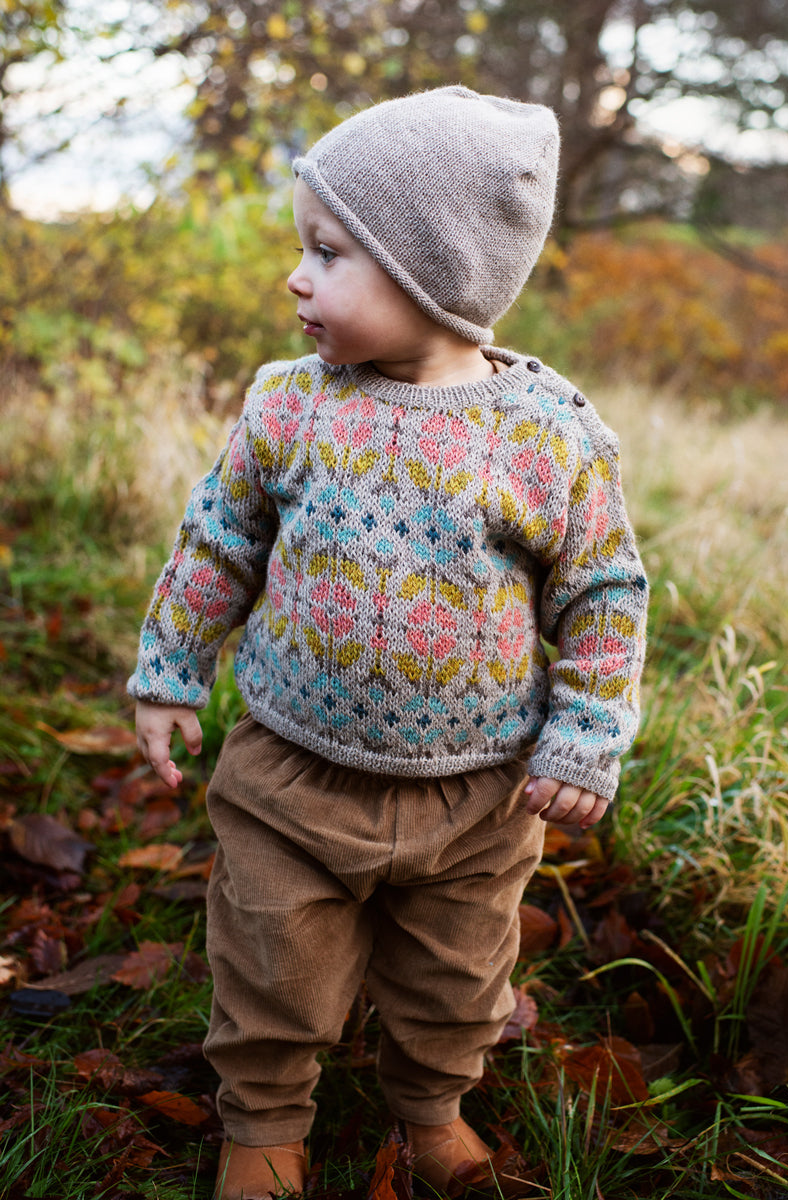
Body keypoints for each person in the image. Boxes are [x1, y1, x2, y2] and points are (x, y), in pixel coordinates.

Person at [129, 85, 648, 1200]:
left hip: (479, 795)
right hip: (290, 772)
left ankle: (431, 1105)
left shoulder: (548, 437)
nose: (295, 277)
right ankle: (265, 1121)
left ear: (433, 274)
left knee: (455, 976)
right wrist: (170, 667)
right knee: (272, 957)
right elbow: (218, 540)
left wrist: (586, 735)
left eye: (328, 252)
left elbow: (603, 593)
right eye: (302, 249)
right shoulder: (290, 406)